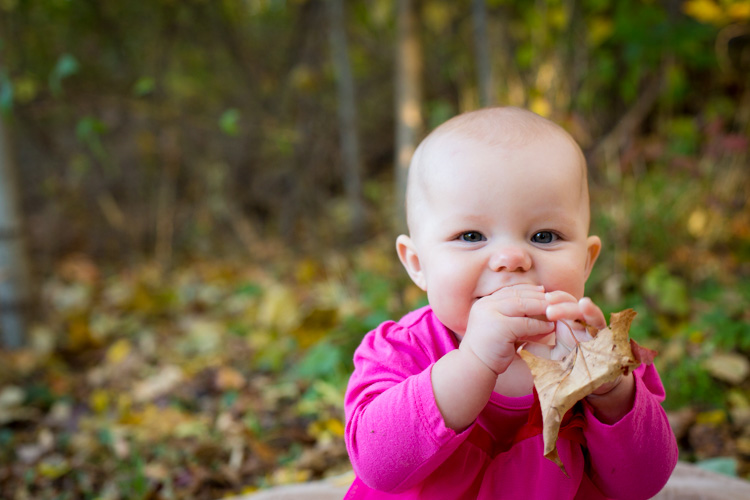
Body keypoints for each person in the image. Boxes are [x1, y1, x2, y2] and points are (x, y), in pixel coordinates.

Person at [343, 107, 678, 499]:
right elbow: (377, 465)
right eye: (470, 236)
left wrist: (612, 393)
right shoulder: (402, 350)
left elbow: (643, 483)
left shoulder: (602, 353)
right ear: (418, 264)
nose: (512, 258)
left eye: (545, 236)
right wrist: (474, 363)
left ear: (586, 261)